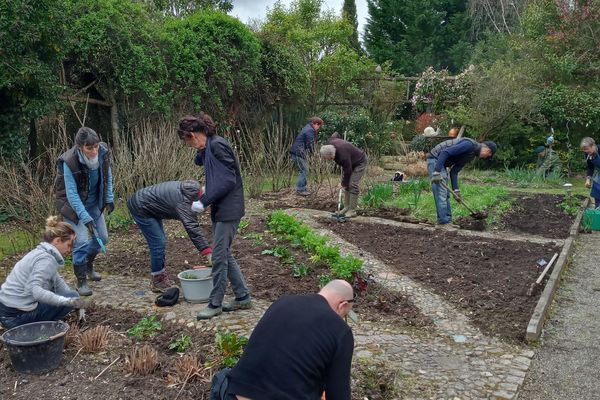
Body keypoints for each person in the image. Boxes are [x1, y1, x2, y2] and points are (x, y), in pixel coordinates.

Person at [210, 280, 355, 400]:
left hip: (234, 393)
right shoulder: (341, 331)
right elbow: (338, 394)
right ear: (342, 305)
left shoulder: (283, 302)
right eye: (344, 315)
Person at [177, 113, 250, 320]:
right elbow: (201, 162)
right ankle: (242, 296)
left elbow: (228, 180)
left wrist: (204, 200)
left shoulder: (217, 145)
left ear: (192, 134)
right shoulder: (210, 146)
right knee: (224, 253)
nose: (188, 145)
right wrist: (201, 148)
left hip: (229, 209)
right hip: (223, 208)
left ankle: (215, 303)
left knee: (219, 257)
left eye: (187, 140)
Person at [54, 127, 114, 296]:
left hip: (94, 204)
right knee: (80, 241)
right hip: (73, 207)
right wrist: (84, 217)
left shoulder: (103, 152)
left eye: (95, 146)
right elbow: (72, 194)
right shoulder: (69, 161)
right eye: (89, 148)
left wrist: (108, 198)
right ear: (80, 147)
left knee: (102, 238)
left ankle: (88, 265)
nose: (94, 151)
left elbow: (108, 176)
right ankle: (81, 281)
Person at [127, 180, 213, 293]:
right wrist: (208, 253)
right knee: (158, 243)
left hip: (150, 205)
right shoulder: (185, 202)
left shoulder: (192, 191)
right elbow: (192, 227)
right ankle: (158, 281)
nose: (207, 209)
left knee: (160, 241)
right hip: (141, 206)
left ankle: (160, 276)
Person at [0, 216, 83, 329]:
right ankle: (43, 328)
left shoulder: (40, 253)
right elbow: (37, 292)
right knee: (67, 299)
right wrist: (66, 301)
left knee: (71, 296)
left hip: (6, 311)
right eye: (69, 245)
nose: (70, 250)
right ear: (57, 240)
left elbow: (58, 283)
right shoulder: (46, 260)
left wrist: (75, 300)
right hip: (17, 318)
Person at [427, 137, 497, 227]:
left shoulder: (471, 155)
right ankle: (443, 223)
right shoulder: (469, 145)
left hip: (441, 162)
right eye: (488, 155)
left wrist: (456, 190)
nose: (486, 157)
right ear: (488, 150)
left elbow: (454, 171)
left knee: (445, 194)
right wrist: (436, 171)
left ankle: (447, 221)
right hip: (435, 159)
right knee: (441, 193)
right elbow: (444, 152)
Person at [320, 137, 368, 218]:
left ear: (331, 155)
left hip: (360, 161)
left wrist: (343, 184)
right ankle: (346, 208)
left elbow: (348, 171)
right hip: (351, 161)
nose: (326, 160)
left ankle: (352, 211)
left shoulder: (343, 156)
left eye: (326, 158)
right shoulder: (330, 142)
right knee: (347, 184)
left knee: (352, 184)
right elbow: (335, 135)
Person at [289, 117, 324, 196]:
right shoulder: (310, 130)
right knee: (304, 171)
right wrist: (315, 153)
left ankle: (303, 188)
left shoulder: (307, 128)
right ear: (315, 124)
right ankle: (300, 190)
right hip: (298, 153)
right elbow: (310, 144)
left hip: (298, 152)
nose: (319, 128)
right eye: (319, 126)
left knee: (304, 170)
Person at [581, 137, 600, 209]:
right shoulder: (588, 153)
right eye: (584, 150)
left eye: (587, 149)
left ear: (593, 146)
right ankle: (598, 210)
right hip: (599, 174)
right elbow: (590, 167)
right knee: (597, 190)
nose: (586, 152)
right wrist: (588, 178)